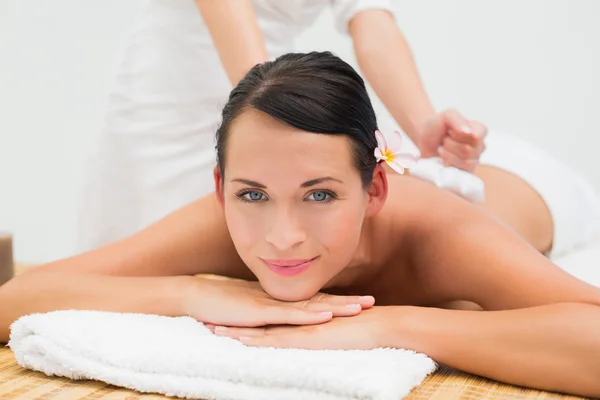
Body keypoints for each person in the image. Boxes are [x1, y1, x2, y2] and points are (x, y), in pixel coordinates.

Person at [3, 52, 600, 398]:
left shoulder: (441, 234)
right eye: (252, 194)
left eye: (319, 195)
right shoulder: (226, 218)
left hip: (536, 184)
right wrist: (196, 291)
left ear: (375, 190)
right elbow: (15, 301)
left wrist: (394, 326)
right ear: (221, 189)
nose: (281, 235)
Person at [76, 0, 488, 252]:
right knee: (139, 261)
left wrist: (424, 126)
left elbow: (372, 21)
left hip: (272, 92)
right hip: (167, 105)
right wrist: (271, 122)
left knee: (270, 245)